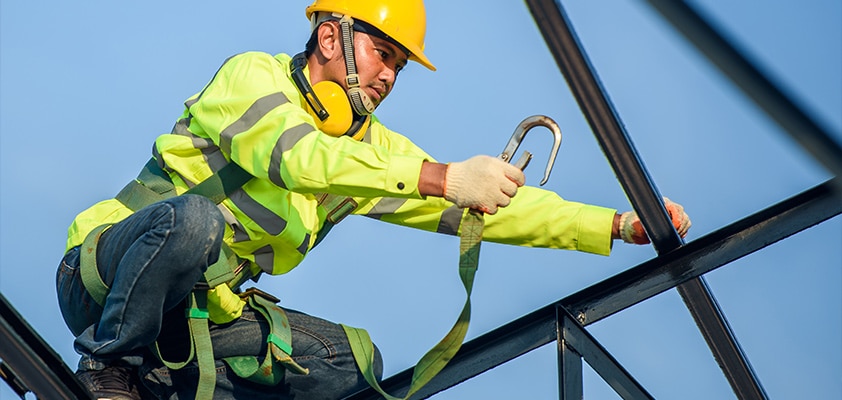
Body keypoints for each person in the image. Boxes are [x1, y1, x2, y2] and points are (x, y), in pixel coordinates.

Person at [56, 0, 692, 399]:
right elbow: (301, 157)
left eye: (399, 64)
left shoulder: (371, 148)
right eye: (382, 54)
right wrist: (441, 175)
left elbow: (484, 209)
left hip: (195, 325)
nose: (390, 74)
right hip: (104, 283)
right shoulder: (253, 78)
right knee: (194, 222)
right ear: (331, 38)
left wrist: (616, 224)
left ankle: (157, 386)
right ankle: (109, 376)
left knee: (348, 364)